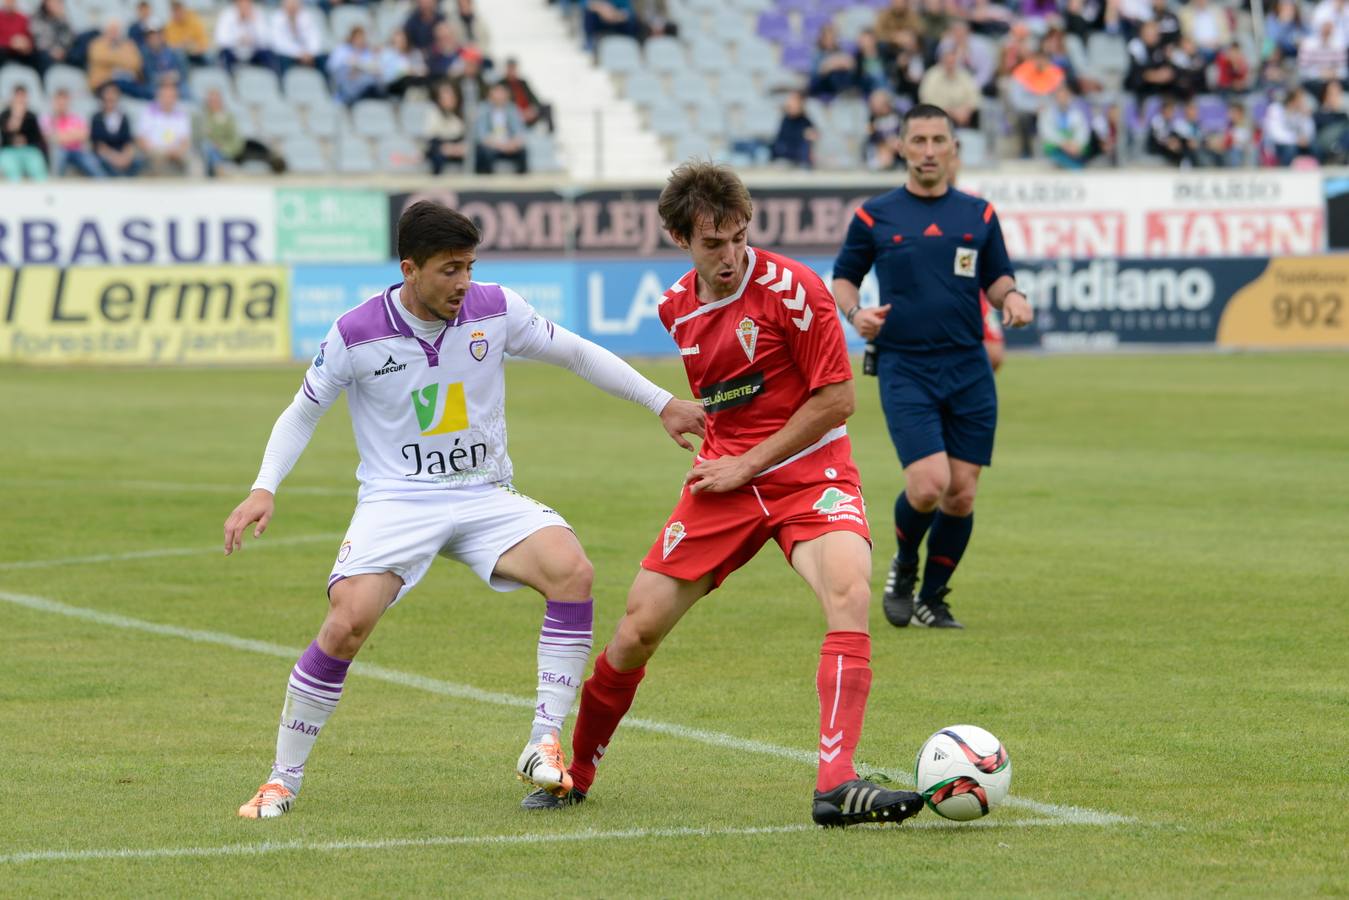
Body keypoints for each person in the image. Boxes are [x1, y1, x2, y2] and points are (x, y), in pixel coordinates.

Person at [226, 200, 704, 820]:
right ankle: (281, 780)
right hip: (397, 500)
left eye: (470, 267)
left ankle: (542, 742)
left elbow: (578, 353)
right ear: (409, 269)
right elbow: (302, 412)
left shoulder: (497, 309)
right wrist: (265, 486)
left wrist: (661, 401)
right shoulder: (354, 332)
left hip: (484, 494)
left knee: (572, 569)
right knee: (347, 622)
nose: (463, 283)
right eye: (449, 269)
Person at [539, 161, 927, 830]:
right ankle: (574, 773)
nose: (729, 255)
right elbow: (735, 389)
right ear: (678, 239)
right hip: (725, 480)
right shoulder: (674, 308)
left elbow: (836, 399)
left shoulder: (794, 290)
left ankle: (835, 783)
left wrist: (747, 461)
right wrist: (700, 421)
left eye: (738, 238)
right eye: (711, 243)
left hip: (808, 471)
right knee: (636, 630)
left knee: (849, 592)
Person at [831, 104, 1032, 630]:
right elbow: (844, 279)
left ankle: (932, 599)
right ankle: (903, 567)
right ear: (901, 147)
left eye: (937, 140)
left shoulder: (980, 215)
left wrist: (1012, 299)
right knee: (927, 485)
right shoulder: (876, 215)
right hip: (905, 366)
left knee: (961, 493)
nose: (927, 150)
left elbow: (998, 278)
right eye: (917, 140)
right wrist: (856, 314)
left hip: (968, 366)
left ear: (953, 150)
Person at [42, 86, 106, 177]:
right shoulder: (48, 118)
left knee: (92, 162)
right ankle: (54, 182)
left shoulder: (76, 117)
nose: (62, 104)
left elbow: (85, 135)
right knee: (57, 154)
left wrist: (61, 136)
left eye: (64, 102)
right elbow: (50, 138)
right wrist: (72, 134)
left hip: (77, 151)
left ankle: (102, 183)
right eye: (59, 102)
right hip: (60, 151)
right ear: (54, 102)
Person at [135, 78, 192, 175]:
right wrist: (159, 151)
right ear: (159, 96)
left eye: (171, 96)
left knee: (193, 160)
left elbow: (185, 141)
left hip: (176, 153)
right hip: (155, 152)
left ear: (176, 98)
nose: (168, 100)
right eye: (165, 96)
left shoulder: (181, 114)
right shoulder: (148, 111)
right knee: (157, 159)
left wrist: (178, 151)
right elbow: (140, 140)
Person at [474, 82, 528, 174]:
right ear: (491, 94)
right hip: (492, 145)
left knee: (522, 151)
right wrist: (500, 146)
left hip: (508, 144)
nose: (499, 95)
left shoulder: (512, 109)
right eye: (497, 92)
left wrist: (512, 143)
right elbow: (481, 135)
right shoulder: (483, 108)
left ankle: (521, 184)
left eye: (502, 92)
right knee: (485, 153)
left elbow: (519, 131)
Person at [91, 82, 141, 176]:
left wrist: (125, 157)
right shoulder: (97, 118)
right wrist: (116, 159)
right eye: (108, 94)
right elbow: (99, 146)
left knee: (138, 161)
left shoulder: (124, 117)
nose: (110, 97)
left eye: (113, 94)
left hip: (122, 156)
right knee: (99, 162)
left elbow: (128, 142)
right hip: (106, 157)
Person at [1, 85, 47, 181]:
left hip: (29, 150)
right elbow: (5, 133)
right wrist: (17, 117)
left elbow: (37, 137)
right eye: (18, 96)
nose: (20, 100)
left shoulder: (31, 116)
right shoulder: (5, 114)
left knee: (38, 170)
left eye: (23, 96)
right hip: (9, 151)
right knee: (12, 172)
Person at [424, 79, 467, 174]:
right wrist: (446, 147)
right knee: (436, 153)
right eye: (445, 96)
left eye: (451, 96)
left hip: (458, 144)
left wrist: (456, 148)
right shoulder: (433, 112)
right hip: (439, 144)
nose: (448, 99)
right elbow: (431, 137)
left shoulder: (462, 113)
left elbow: (464, 135)